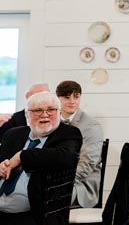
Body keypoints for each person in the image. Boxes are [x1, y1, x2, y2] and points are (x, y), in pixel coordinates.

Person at [0, 91, 82, 225]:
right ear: (27, 115)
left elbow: (65, 158)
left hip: (35, 212)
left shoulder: (68, 133)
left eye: (51, 110)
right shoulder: (13, 134)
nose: (45, 115)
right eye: (38, 110)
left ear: (59, 113)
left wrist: (22, 156)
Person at [55, 80, 103, 208]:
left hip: (81, 184)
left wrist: (58, 182)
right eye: (67, 97)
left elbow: (87, 164)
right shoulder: (52, 122)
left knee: (47, 197)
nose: (72, 101)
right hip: (54, 179)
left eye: (76, 96)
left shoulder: (91, 126)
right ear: (57, 98)